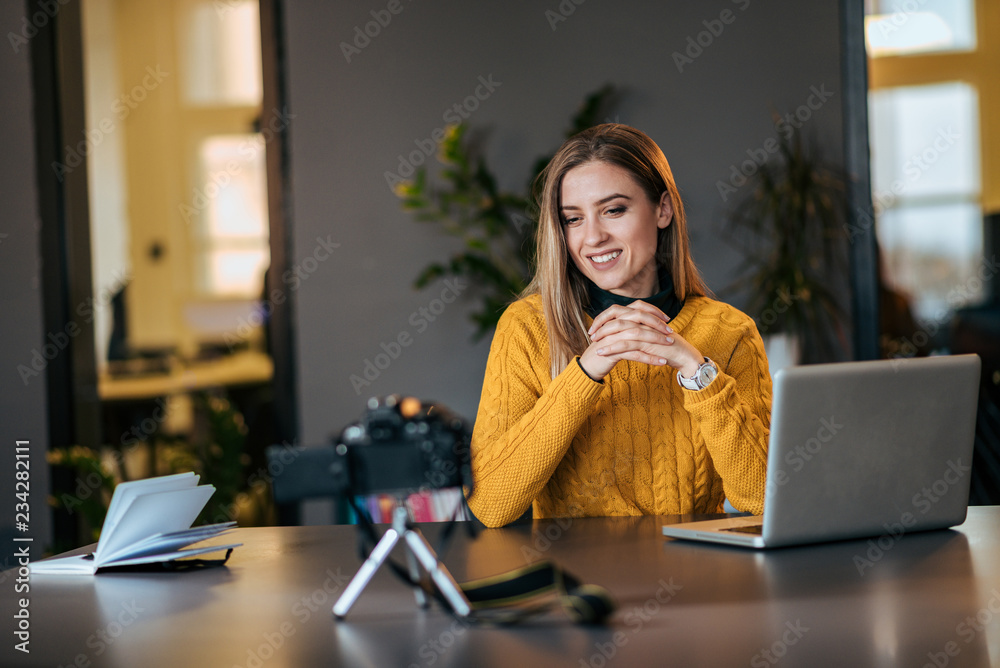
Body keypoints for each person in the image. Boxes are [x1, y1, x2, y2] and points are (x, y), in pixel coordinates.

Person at [466, 124, 771, 528]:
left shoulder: (730, 331)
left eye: (613, 210)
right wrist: (587, 370)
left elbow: (765, 498)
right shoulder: (527, 327)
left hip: (697, 576)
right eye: (572, 219)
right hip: (577, 582)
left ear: (662, 210)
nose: (592, 237)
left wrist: (697, 371)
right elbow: (489, 505)